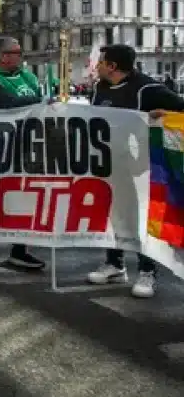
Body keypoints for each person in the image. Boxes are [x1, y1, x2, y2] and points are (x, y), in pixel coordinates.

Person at [87, 44, 184, 298]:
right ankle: (115, 264)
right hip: (109, 164)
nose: (97, 65)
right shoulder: (99, 88)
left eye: (101, 61)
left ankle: (147, 271)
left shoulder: (148, 89)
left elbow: (181, 108)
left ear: (112, 66)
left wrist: (164, 115)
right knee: (113, 215)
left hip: (142, 167)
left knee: (141, 218)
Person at [0, 36, 46, 276]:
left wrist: (38, 102)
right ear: (3, 57)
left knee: (25, 200)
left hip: (27, 147)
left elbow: (39, 101)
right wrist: (37, 101)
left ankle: (19, 250)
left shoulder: (27, 76)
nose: (21, 56)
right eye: (17, 52)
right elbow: (8, 103)